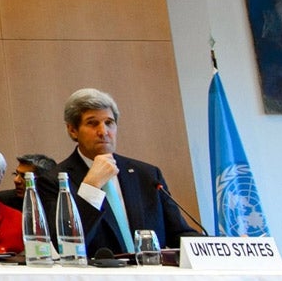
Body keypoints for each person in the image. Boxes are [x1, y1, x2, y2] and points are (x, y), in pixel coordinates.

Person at [55, 88, 194, 258]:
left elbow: (179, 235)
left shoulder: (147, 175)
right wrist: (92, 186)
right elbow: (64, 244)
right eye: (92, 123)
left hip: (151, 277)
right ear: (72, 130)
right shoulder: (53, 180)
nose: (104, 131)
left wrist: (222, 247)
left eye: (109, 123)